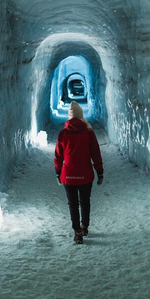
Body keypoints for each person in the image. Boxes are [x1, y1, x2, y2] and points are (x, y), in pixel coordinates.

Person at [54, 101, 104, 244]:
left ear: (69, 117)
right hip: (86, 175)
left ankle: (77, 232)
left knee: (73, 204)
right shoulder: (88, 133)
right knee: (85, 202)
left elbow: (58, 155)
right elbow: (95, 154)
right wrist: (99, 172)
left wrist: (58, 172)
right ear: (81, 116)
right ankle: (85, 226)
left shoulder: (63, 133)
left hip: (68, 175)